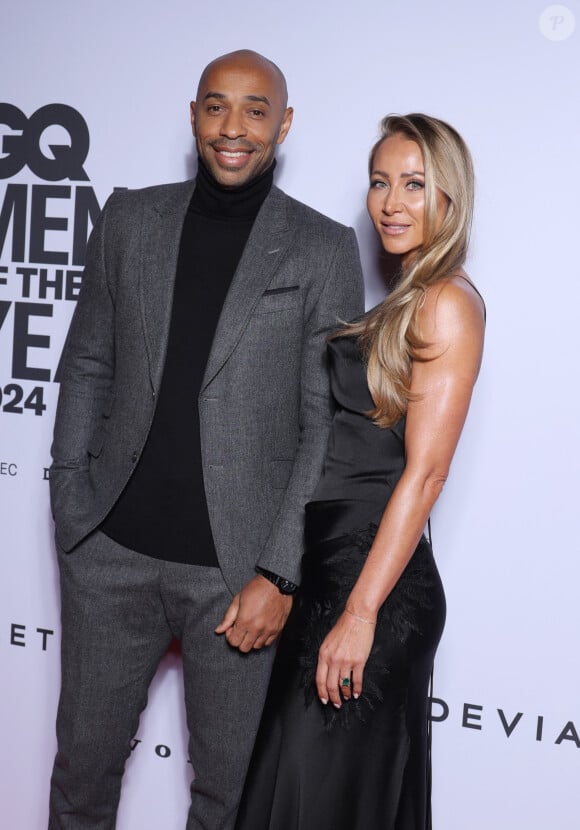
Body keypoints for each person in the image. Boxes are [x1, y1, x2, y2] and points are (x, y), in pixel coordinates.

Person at [48, 49, 363, 830]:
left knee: (227, 796)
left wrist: (279, 574)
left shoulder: (322, 247)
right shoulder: (130, 218)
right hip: (110, 556)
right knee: (81, 775)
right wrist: (69, 502)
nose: (233, 127)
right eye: (216, 106)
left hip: (237, 578)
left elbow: (325, 421)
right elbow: (88, 362)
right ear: (193, 115)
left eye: (256, 110)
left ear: (283, 125)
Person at [234, 113, 485, 830]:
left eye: (415, 184)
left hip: (371, 583)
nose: (391, 202)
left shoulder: (446, 303)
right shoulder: (408, 299)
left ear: (449, 199)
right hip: (334, 572)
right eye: (380, 182)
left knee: (322, 801)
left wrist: (360, 613)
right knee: (305, 798)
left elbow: (427, 473)